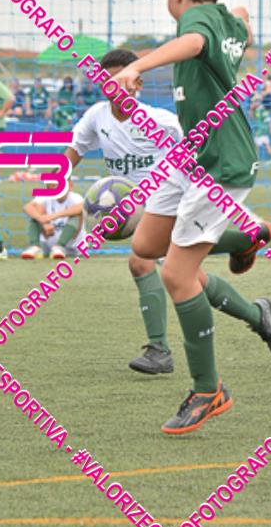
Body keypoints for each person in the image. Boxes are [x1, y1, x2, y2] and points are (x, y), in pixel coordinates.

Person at [116, 0, 271, 435]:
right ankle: (246, 239)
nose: (169, 9)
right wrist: (239, 20)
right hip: (192, 157)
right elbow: (242, 15)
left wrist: (136, 66)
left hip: (221, 164)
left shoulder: (198, 22)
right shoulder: (228, 21)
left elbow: (191, 42)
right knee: (146, 246)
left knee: (176, 275)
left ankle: (209, 391)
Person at [65, 47, 183, 375]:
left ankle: (160, 350)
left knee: (147, 263)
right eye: (106, 81)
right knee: (183, 274)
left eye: (119, 79)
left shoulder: (161, 121)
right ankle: (254, 314)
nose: (112, 87)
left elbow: (192, 150)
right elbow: (75, 148)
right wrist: (60, 176)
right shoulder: (97, 116)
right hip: (132, 208)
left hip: (165, 201)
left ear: (137, 82)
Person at [21, 181, 85, 260]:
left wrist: (52, 216)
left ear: (70, 186)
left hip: (73, 248)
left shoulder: (75, 197)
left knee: (76, 216)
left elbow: (81, 208)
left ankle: (60, 246)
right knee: (35, 215)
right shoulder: (45, 196)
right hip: (49, 247)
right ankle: (35, 247)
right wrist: (43, 221)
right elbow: (27, 207)